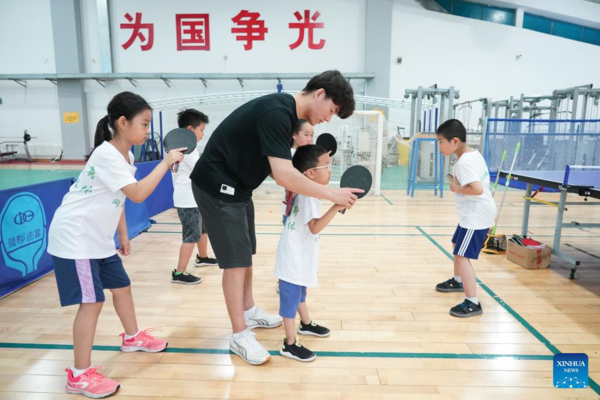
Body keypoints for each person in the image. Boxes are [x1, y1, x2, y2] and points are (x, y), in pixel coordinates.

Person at [190, 70, 361, 365]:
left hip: (239, 188)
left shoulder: (284, 116)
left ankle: (249, 310)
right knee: (235, 263)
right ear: (319, 94)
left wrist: (297, 186)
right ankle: (239, 335)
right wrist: (331, 194)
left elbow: (272, 164)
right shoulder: (276, 114)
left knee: (245, 257)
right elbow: (284, 175)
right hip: (217, 186)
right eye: (331, 110)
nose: (327, 118)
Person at [48, 91, 183, 398]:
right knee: (93, 302)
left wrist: (121, 233)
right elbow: (136, 193)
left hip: (98, 239)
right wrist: (165, 162)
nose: (148, 131)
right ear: (123, 123)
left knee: (122, 287)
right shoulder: (107, 155)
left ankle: (132, 338)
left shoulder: (126, 155)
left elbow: (118, 197)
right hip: (76, 240)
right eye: (144, 124)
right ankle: (79, 375)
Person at [276, 145, 341, 362]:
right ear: (310, 173)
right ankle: (289, 343)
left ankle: (305, 324)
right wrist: (335, 206)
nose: (330, 170)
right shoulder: (310, 196)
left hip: (299, 252)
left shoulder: (308, 190)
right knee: (290, 300)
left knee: (300, 292)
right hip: (292, 256)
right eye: (326, 166)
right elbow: (314, 226)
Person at [434, 119, 496, 318]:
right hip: (473, 214)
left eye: (440, 142)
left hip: (476, 217)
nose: (439, 147)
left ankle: (472, 302)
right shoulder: (473, 154)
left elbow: (476, 189)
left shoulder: (463, 163)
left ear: (454, 141)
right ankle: (458, 280)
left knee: (462, 256)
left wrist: (456, 188)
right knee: (456, 244)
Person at [170, 109, 218, 285]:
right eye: (201, 130)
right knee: (191, 235)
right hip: (187, 199)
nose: (203, 134)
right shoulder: (186, 149)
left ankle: (203, 257)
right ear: (190, 129)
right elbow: (202, 170)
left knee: (203, 228)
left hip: (194, 197)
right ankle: (179, 273)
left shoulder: (186, 146)